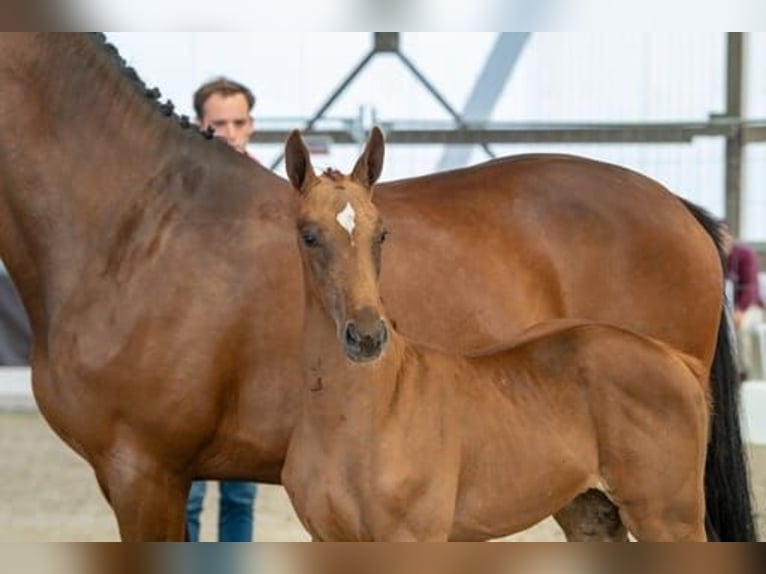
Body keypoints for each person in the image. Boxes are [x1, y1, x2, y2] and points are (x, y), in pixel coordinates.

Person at [185, 77, 259, 543]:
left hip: (249, 369)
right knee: (184, 494)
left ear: (252, 125)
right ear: (199, 126)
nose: (230, 133)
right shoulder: (179, 196)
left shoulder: (275, 195)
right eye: (219, 124)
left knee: (240, 497)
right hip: (187, 366)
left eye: (238, 122)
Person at [721, 221, 765, 381]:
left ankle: (742, 371)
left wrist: (740, 310)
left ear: (730, 236)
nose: (721, 240)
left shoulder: (745, 254)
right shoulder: (716, 255)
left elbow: (751, 287)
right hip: (726, 309)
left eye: (724, 235)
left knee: (742, 325)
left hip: (750, 307)